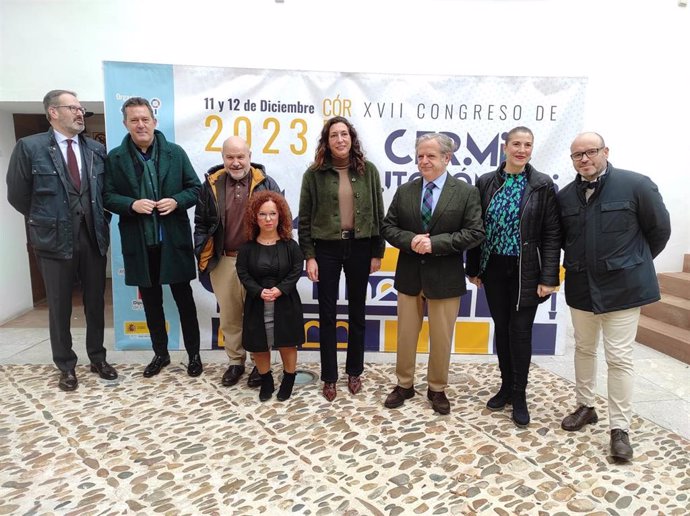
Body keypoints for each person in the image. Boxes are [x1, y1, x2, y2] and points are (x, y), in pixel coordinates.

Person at [558, 132, 671, 461]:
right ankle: (585, 406)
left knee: (619, 359)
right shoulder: (565, 197)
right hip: (581, 289)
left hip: (624, 290)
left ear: (605, 151)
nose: (584, 159)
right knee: (582, 349)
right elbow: (562, 240)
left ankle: (619, 429)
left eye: (590, 152)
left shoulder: (636, 185)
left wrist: (631, 262)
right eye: (577, 155)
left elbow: (659, 231)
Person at [6, 89, 117, 391]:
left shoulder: (96, 149)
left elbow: (104, 193)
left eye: (81, 109)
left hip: (92, 237)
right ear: (53, 112)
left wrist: (102, 219)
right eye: (73, 108)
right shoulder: (29, 147)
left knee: (96, 302)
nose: (80, 113)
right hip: (53, 240)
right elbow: (18, 195)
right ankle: (66, 365)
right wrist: (47, 219)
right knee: (59, 304)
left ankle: (97, 357)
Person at [381, 133, 485, 414]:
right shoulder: (405, 191)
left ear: (446, 158)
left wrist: (435, 244)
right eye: (420, 156)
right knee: (405, 335)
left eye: (431, 156)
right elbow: (388, 227)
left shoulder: (465, 193)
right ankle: (404, 384)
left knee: (441, 337)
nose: (424, 161)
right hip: (410, 276)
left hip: (445, 277)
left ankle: (437, 388)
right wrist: (411, 240)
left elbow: (475, 233)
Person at [466, 126, 561, 427]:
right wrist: (474, 268)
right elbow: (475, 227)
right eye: (516, 144)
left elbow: (551, 234)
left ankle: (520, 395)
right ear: (505, 147)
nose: (522, 150)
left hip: (526, 270)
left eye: (528, 145)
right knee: (502, 328)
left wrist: (549, 277)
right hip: (493, 267)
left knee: (520, 332)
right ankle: (506, 387)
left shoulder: (542, 185)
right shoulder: (485, 182)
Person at [104, 97, 202, 378]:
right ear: (125, 124)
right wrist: (131, 205)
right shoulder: (116, 158)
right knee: (151, 303)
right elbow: (107, 196)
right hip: (140, 243)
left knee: (185, 301)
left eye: (145, 119)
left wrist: (176, 201)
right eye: (134, 120)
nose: (140, 124)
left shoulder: (175, 153)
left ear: (154, 122)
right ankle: (161, 354)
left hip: (173, 241)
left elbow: (195, 188)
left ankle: (194, 355)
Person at [298, 116, 385, 402]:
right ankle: (329, 377)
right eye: (334, 135)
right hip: (326, 250)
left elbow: (378, 213)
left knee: (357, 312)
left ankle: (354, 371)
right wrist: (309, 257)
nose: (340, 139)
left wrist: (377, 251)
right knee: (327, 315)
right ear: (327, 141)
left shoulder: (369, 171)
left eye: (344, 134)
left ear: (352, 138)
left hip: (360, 247)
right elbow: (306, 219)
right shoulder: (314, 175)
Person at [194, 136, 281, 389]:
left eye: (240, 156)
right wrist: (202, 250)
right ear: (222, 158)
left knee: (258, 317)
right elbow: (201, 222)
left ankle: (259, 364)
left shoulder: (266, 183)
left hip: (257, 261)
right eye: (230, 157)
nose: (235, 162)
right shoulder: (211, 184)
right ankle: (235, 362)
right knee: (230, 317)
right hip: (224, 261)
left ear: (249, 156)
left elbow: (280, 221)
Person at [236, 191, 305, 402]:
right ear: (254, 218)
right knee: (259, 344)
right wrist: (258, 291)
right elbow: (243, 272)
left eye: (272, 214)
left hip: (285, 302)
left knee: (287, 343)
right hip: (257, 303)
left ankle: (288, 379)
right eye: (262, 214)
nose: (268, 219)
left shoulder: (290, 246)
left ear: (280, 216)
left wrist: (280, 289)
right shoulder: (247, 248)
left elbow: (296, 269)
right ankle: (266, 380)